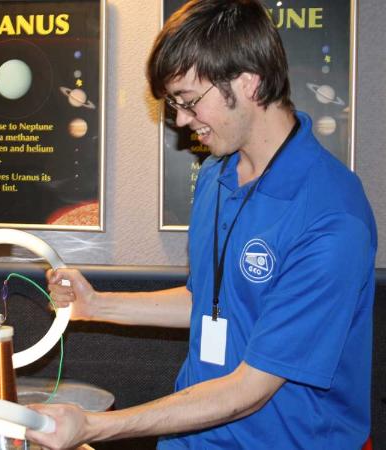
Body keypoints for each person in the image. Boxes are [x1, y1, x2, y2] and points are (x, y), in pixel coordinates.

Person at [26, 0, 377, 448]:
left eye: (189, 101)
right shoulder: (217, 172)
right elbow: (212, 302)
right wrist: (97, 305)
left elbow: (250, 390)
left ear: (250, 81)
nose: (181, 120)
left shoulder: (331, 217)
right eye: (174, 103)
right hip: (194, 439)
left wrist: (96, 426)